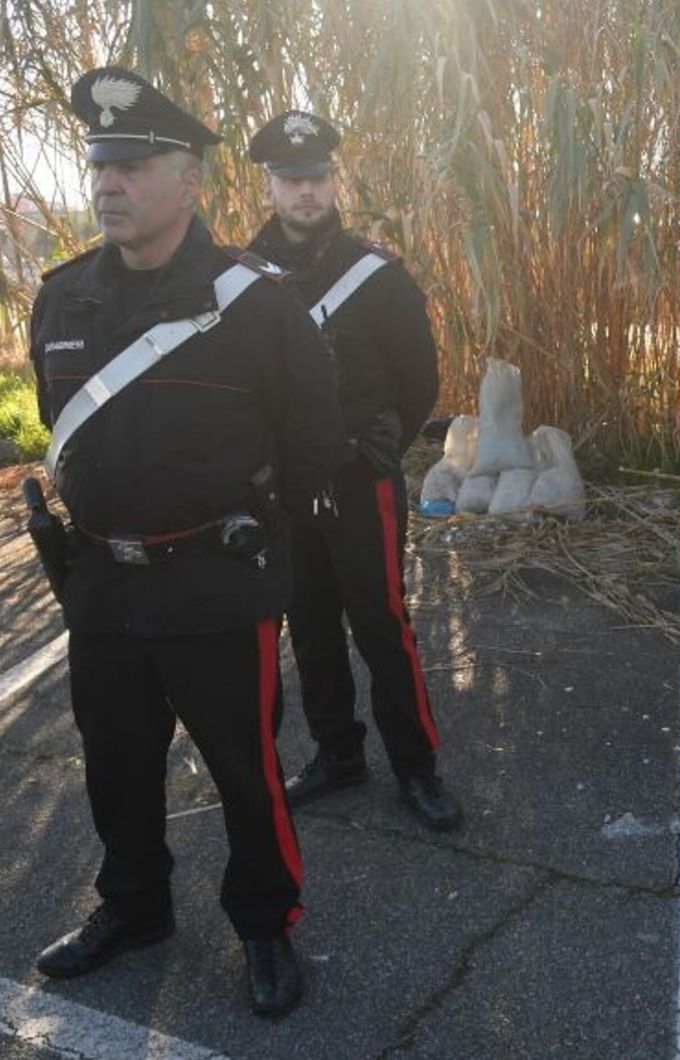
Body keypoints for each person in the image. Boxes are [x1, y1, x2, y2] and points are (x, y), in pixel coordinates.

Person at [28, 69, 343, 1015]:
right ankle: (134, 906)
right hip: (104, 586)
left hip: (213, 583)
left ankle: (264, 923)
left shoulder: (256, 303)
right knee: (115, 760)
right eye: (99, 165)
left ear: (191, 180)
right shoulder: (63, 297)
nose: (108, 184)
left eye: (132, 163)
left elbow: (312, 443)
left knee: (244, 767)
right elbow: (62, 423)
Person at [245, 110, 460, 832]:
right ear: (269, 186)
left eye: (316, 178)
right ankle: (338, 754)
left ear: (334, 181)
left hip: (360, 477)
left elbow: (420, 376)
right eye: (289, 180)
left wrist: (382, 446)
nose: (305, 192)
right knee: (308, 621)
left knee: (382, 622)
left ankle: (416, 767)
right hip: (286, 485)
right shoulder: (242, 275)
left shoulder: (377, 273)